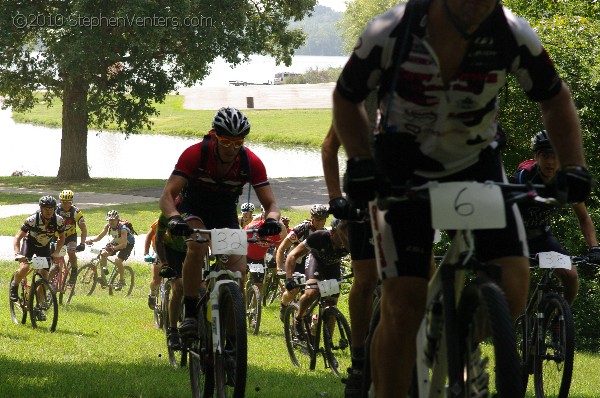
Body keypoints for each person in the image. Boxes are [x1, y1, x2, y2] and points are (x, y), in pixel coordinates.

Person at [332, 1, 593, 396]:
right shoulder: (390, 29)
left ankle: (464, 343)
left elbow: (554, 99)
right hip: (401, 168)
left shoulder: (512, 33)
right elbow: (346, 97)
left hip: (476, 163)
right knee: (404, 305)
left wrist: (574, 166)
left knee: (515, 286)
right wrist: (361, 162)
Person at [159, 106, 281, 338]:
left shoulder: (250, 161)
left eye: (238, 143)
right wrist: (174, 218)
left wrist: (272, 220)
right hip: (192, 209)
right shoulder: (195, 154)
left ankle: (231, 329)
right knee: (197, 245)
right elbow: (167, 195)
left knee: (239, 272)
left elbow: (271, 205)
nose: (232, 148)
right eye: (226, 141)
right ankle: (191, 312)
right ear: (214, 135)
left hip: (224, 214)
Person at [509, 130, 600, 305]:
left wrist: (594, 247)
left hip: (542, 238)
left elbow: (584, 219)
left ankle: (560, 319)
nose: (550, 161)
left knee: (571, 275)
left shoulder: (566, 183)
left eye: (555, 156)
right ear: (536, 156)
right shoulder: (522, 179)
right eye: (545, 155)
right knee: (514, 286)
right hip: (514, 238)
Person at [321, 124, 378, 397]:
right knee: (365, 280)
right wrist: (336, 199)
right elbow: (330, 145)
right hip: (368, 192)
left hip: (413, 186)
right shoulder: (363, 94)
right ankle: (358, 362)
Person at [284, 218, 349, 340]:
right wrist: (289, 278)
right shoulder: (319, 237)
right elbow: (292, 255)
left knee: (331, 304)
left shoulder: (350, 241)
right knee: (312, 292)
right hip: (316, 262)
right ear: (332, 233)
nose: (342, 240)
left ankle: (326, 342)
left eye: (346, 235)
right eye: (340, 236)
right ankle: (298, 318)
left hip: (333, 267)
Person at [276, 204, 329, 321]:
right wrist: (279, 268)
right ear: (312, 218)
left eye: (323, 220)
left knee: (311, 294)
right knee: (292, 291)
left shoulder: (325, 233)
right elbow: (281, 248)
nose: (321, 223)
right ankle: (284, 305)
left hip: (310, 265)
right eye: (318, 220)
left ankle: (302, 318)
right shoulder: (301, 230)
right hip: (295, 264)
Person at [10, 196, 66, 303]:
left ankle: (39, 305)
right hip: (29, 244)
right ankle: (14, 285)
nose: (49, 211)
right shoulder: (32, 220)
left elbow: (62, 237)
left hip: (44, 247)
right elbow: (18, 237)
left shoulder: (59, 220)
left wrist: (56, 252)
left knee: (44, 277)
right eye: (46, 209)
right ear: (41, 208)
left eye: (51, 208)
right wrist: (17, 254)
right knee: (25, 268)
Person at [153, 212, 188, 350]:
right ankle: (173, 330)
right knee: (178, 287)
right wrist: (165, 263)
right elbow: (158, 240)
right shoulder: (167, 213)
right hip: (171, 250)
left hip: (192, 248)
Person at [85, 210, 136, 291]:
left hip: (127, 244)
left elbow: (123, 245)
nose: (110, 222)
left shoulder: (123, 229)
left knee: (118, 260)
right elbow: (99, 237)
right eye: (109, 220)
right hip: (117, 241)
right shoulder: (108, 226)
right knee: (103, 254)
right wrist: (91, 240)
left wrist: (113, 248)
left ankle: (122, 280)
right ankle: (104, 274)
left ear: (117, 219)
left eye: (112, 220)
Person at [244, 216, 286, 298]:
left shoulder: (276, 232)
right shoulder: (253, 226)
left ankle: (254, 308)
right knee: (242, 282)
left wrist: (279, 264)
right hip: (244, 256)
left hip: (258, 259)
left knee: (259, 285)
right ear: (262, 219)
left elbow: (279, 249)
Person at [56, 189, 87, 284]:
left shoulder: (76, 212)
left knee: (70, 251)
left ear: (71, 202)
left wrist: (82, 243)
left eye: (68, 202)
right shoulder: (56, 210)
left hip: (70, 236)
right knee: (54, 255)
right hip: (57, 235)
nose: (65, 205)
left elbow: (83, 229)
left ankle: (74, 270)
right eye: (63, 202)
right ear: (60, 201)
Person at [144, 219, 162, 309]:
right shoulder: (159, 222)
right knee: (156, 280)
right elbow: (149, 236)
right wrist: (146, 253)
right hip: (158, 250)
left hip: (173, 250)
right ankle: (152, 294)